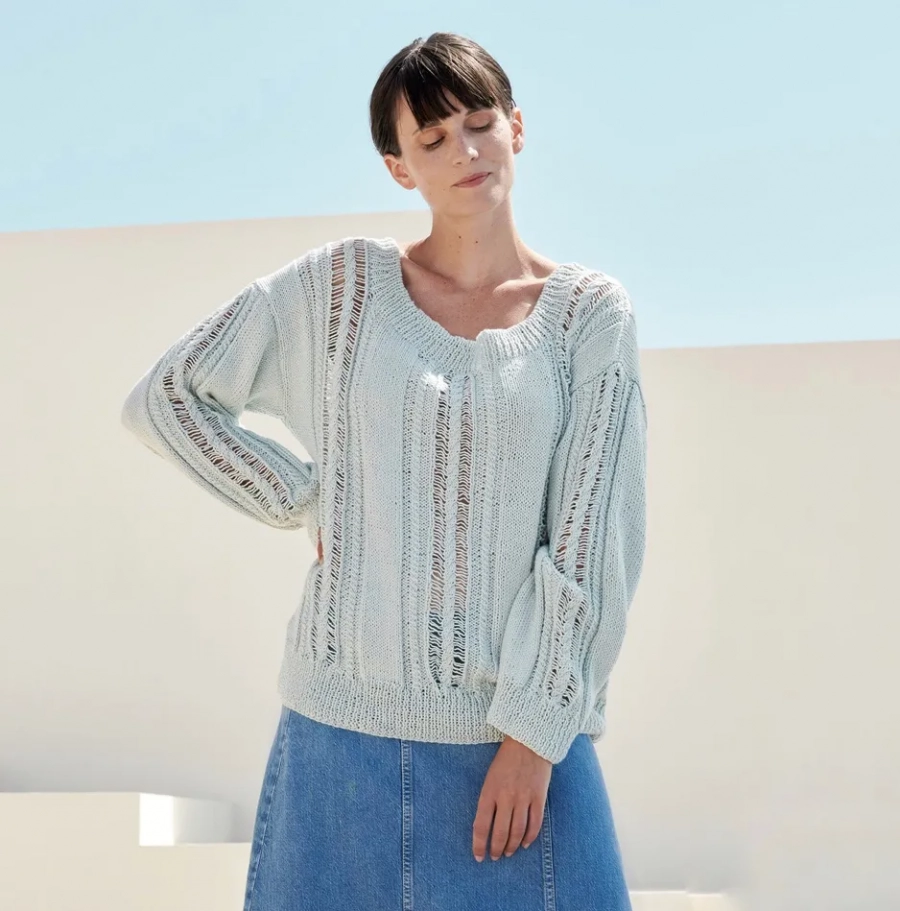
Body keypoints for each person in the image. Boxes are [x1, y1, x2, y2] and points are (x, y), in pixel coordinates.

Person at [121, 30, 647, 911]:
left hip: (516, 752)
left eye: (479, 123)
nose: (465, 151)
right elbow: (167, 397)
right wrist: (304, 495)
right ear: (400, 168)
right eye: (432, 138)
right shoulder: (341, 290)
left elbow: (593, 540)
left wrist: (532, 737)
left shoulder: (587, 318)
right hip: (337, 750)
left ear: (517, 127)